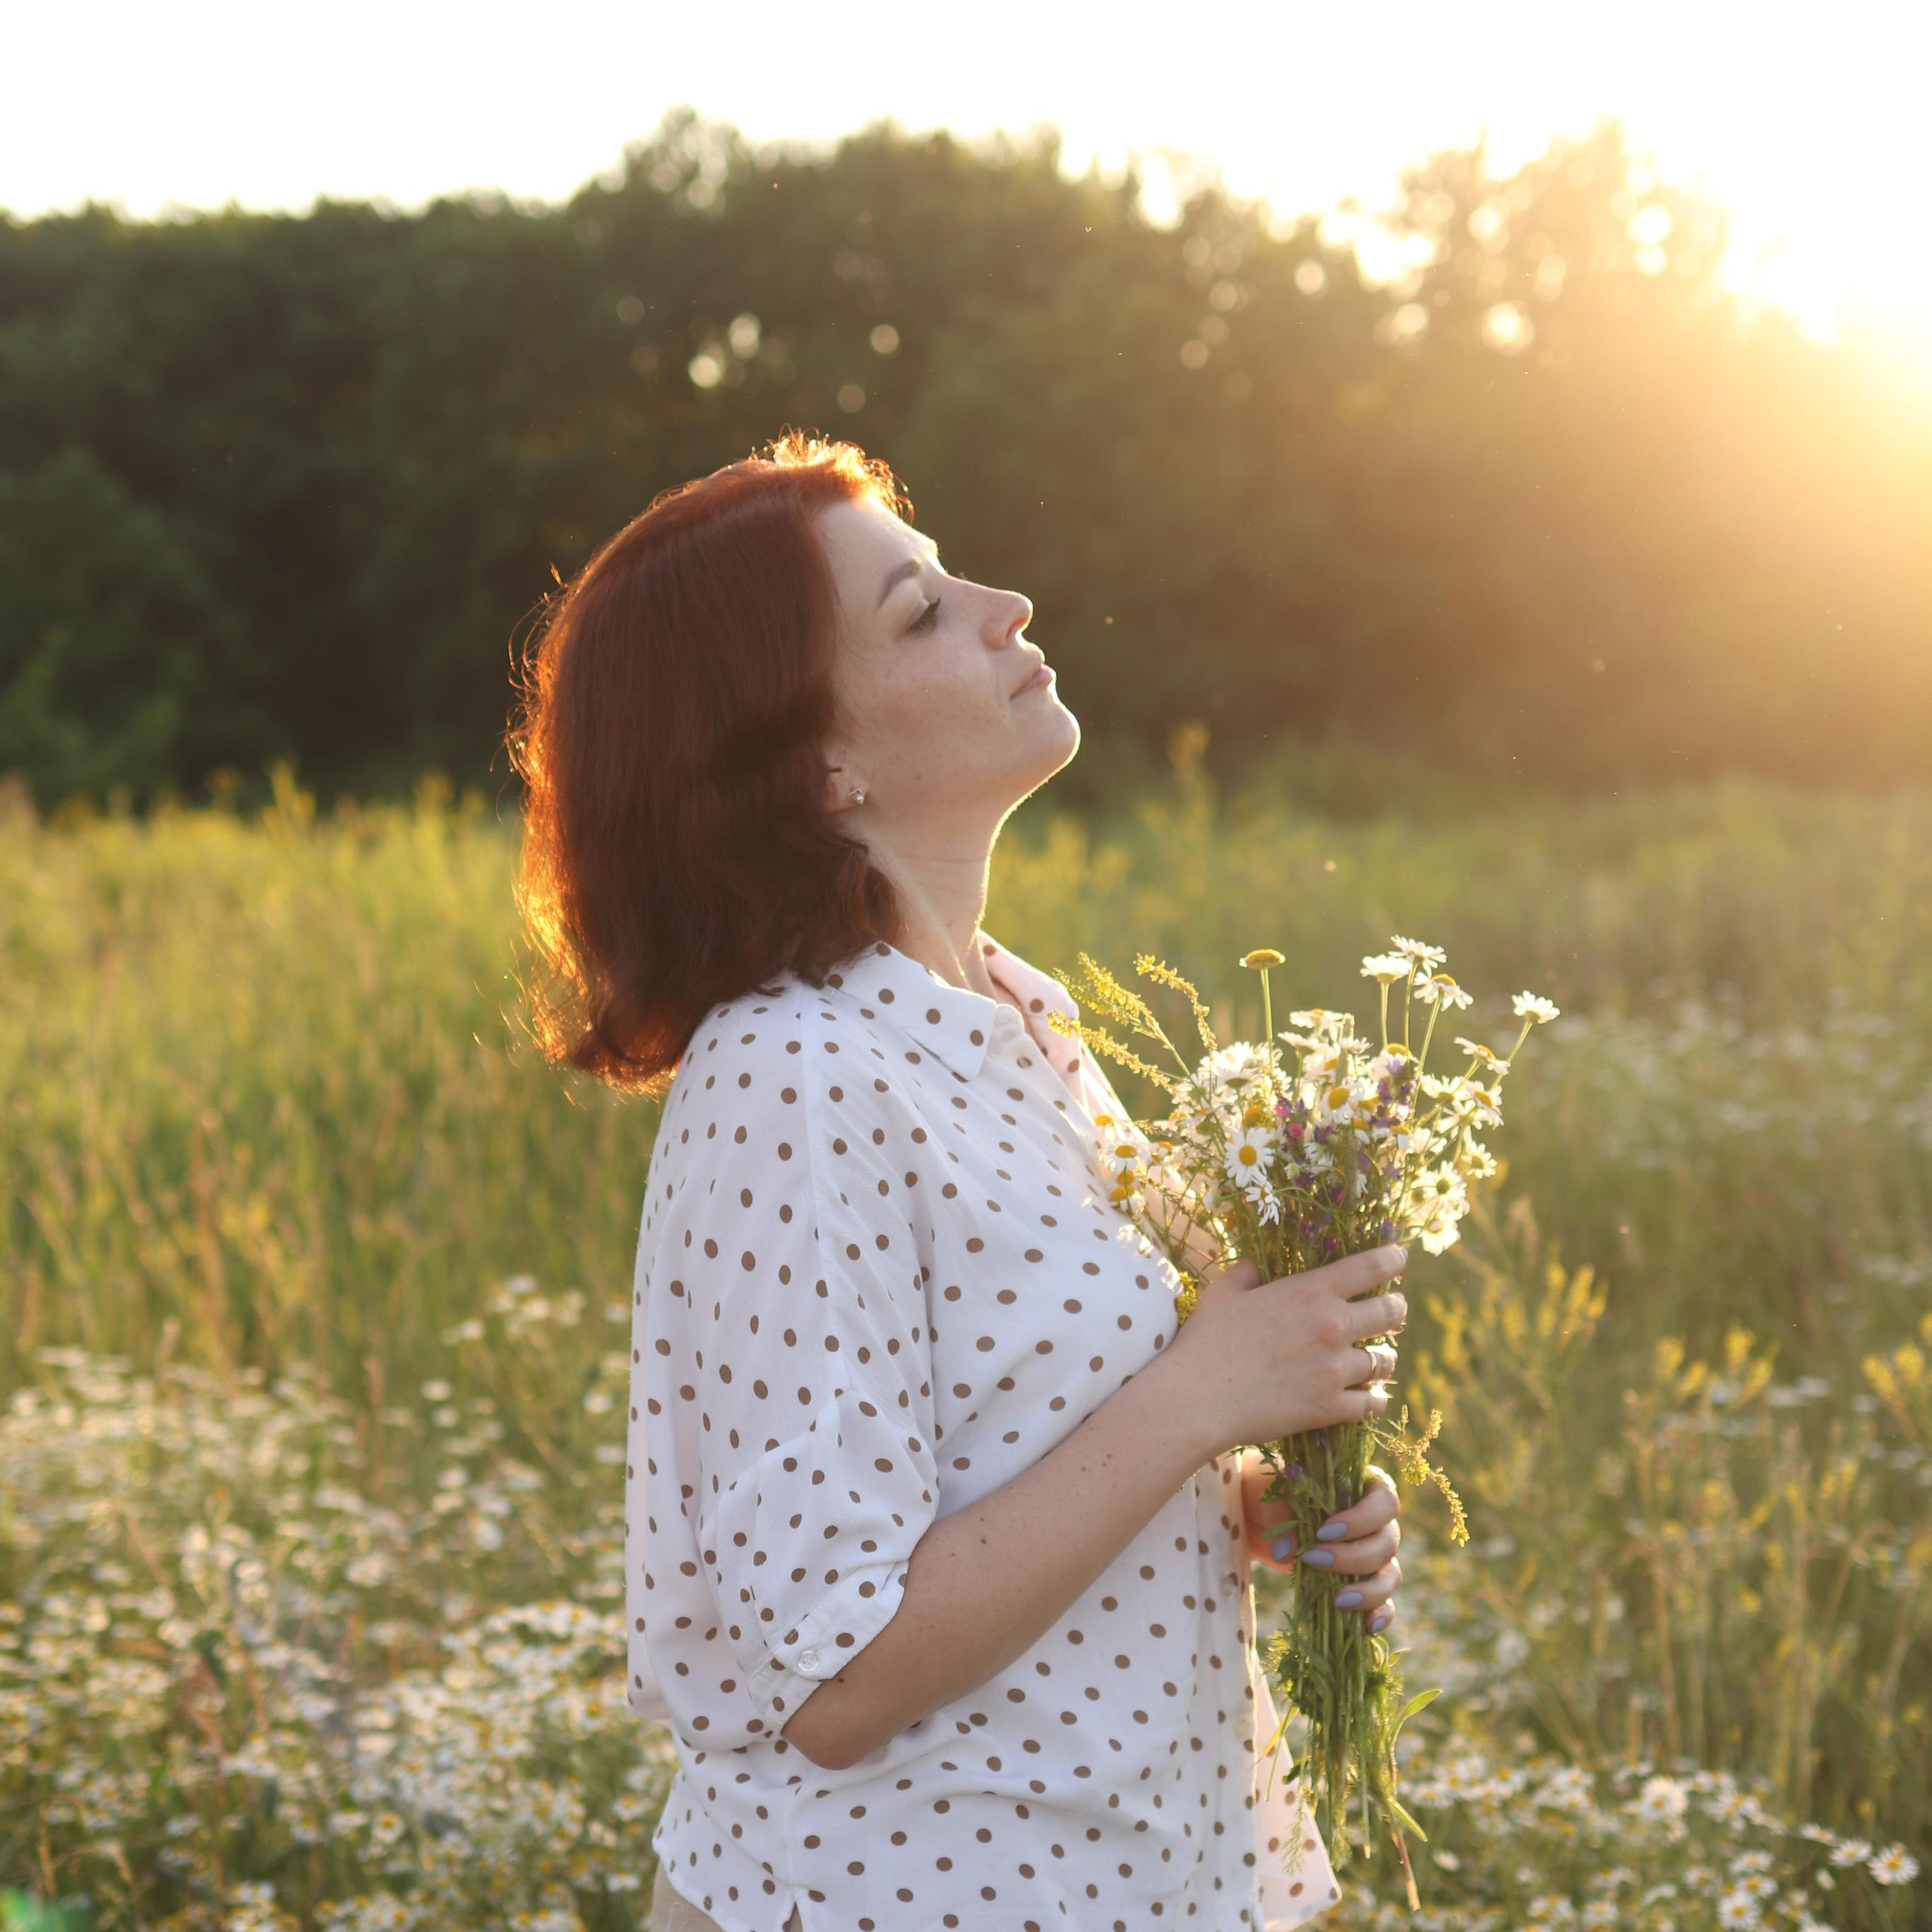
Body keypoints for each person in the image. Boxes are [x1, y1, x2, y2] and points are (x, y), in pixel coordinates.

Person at [508, 430, 1407, 1932]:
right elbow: (838, 1675)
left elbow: (1019, 1449)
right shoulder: (790, 1073)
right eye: (919, 610)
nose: (1008, 603)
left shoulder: (1016, 1014)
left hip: (1134, 1865)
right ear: (815, 765)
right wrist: (1203, 1391)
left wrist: (1240, 1498)